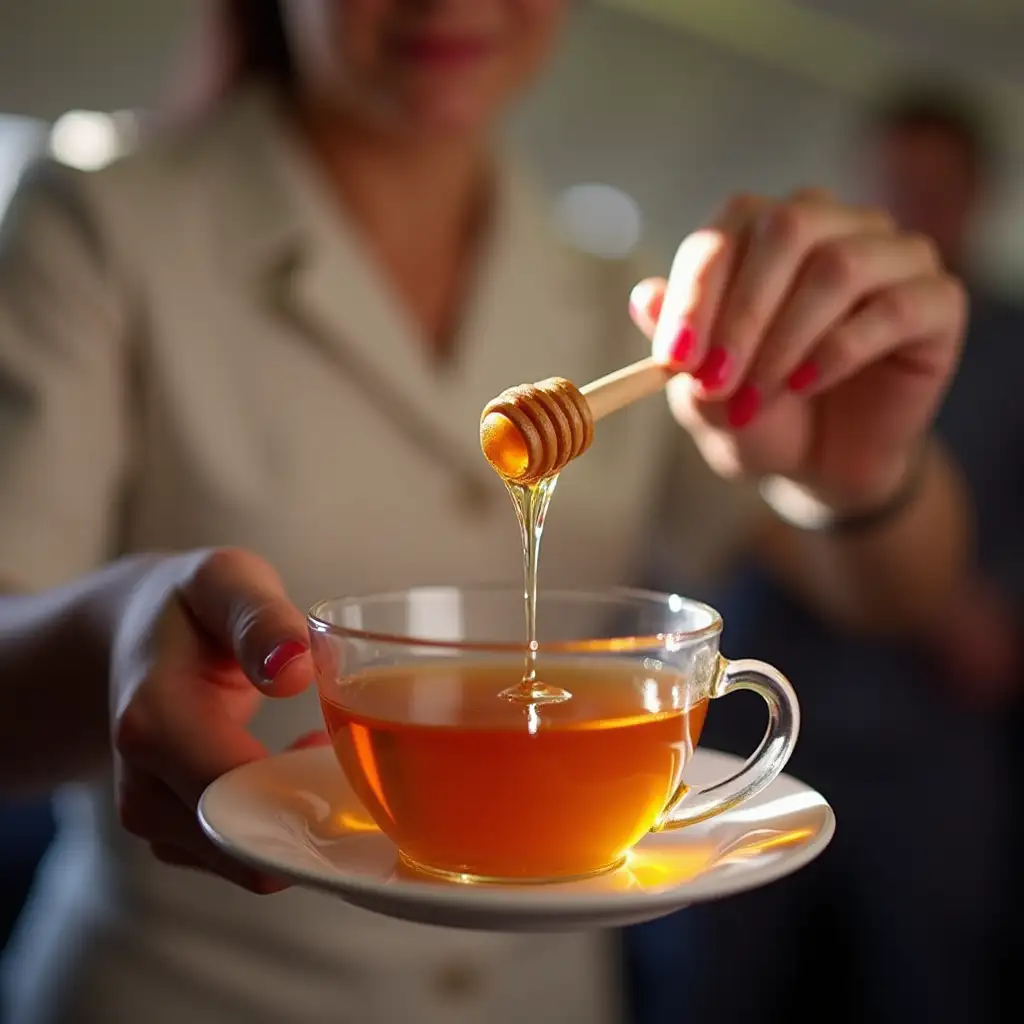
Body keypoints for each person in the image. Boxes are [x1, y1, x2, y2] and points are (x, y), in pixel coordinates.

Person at [0, 2, 968, 1020]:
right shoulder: (98, 226)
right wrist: (120, 627)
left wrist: (857, 468)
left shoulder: (622, 294)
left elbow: (893, 593)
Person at [625, 82, 1024, 1024]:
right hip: (761, 705)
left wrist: (992, 613)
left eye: (932, 187)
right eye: (891, 182)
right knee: (708, 973)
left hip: (930, 737)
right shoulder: (778, 326)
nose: (906, 206)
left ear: (978, 197)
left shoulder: (1014, 346)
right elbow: (721, 523)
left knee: (930, 972)